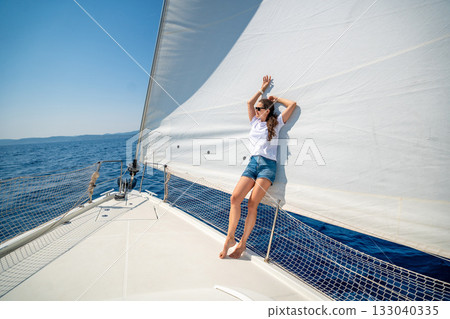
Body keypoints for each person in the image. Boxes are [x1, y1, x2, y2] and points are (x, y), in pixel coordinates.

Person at [219, 75, 297, 259]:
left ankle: (242, 243)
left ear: (267, 111)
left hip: (268, 166)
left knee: (252, 204)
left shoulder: (276, 123)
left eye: (259, 109)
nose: (255, 111)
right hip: (253, 163)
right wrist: (262, 89)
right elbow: (249, 102)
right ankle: (230, 238)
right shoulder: (254, 122)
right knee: (235, 198)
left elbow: (292, 104)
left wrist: (275, 99)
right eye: (256, 109)